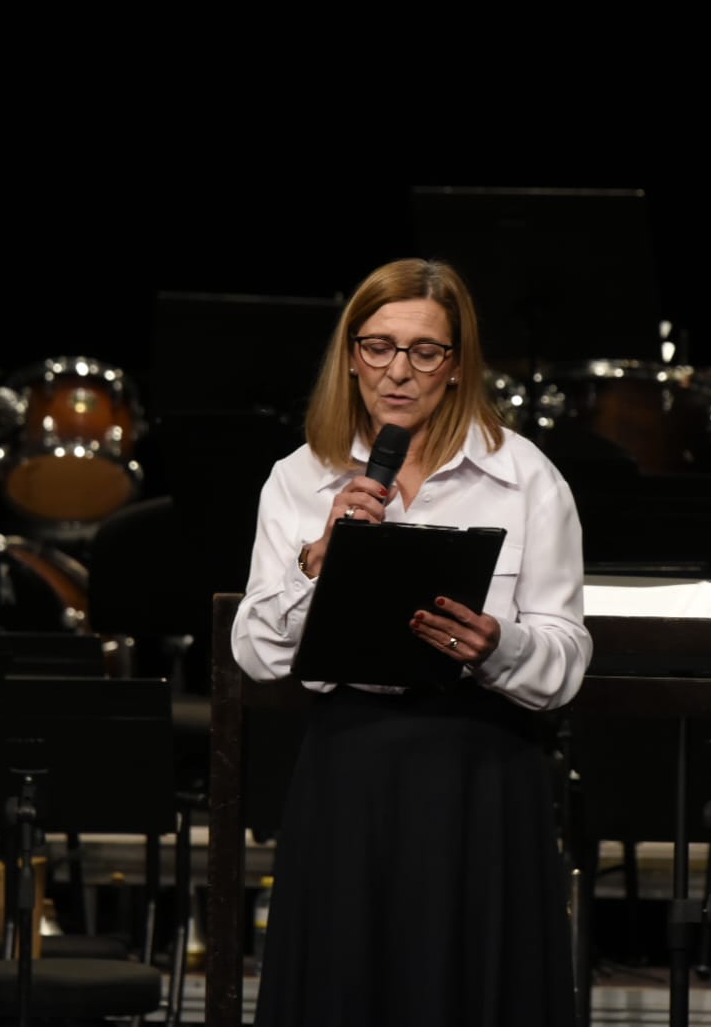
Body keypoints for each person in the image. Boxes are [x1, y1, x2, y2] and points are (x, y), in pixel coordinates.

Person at [231, 257, 592, 1027]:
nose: (397, 371)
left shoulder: (525, 477)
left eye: (424, 352)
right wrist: (317, 562)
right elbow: (256, 653)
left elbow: (565, 659)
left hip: (480, 770)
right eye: (377, 347)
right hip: (350, 768)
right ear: (350, 356)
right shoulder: (300, 478)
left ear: (457, 366)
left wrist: (498, 645)